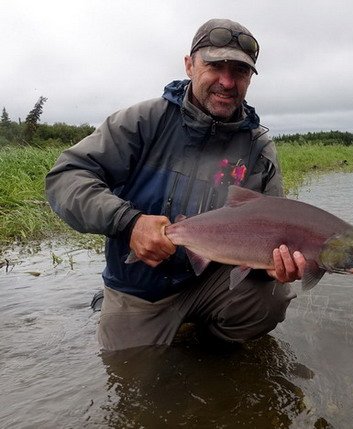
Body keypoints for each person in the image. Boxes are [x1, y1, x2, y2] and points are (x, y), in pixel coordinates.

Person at [46, 18, 306, 351]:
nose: (227, 82)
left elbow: (276, 223)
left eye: (239, 72)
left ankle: (208, 343)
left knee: (271, 297)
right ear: (189, 65)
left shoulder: (258, 147)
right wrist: (130, 223)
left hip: (211, 279)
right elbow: (66, 176)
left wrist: (277, 266)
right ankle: (110, 304)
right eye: (215, 66)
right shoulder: (142, 122)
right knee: (129, 371)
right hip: (140, 288)